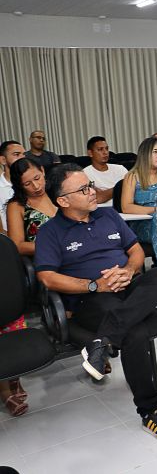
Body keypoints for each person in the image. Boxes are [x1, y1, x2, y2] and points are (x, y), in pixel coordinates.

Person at [34, 164, 157, 441]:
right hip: (91, 299)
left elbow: (136, 251)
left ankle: (102, 341)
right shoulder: (51, 232)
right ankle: (150, 411)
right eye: (83, 189)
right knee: (135, 330)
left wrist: (127, 271)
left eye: (90, 184)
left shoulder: (108, 215)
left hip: (127, 288)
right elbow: (46, 278)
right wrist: (95, 285)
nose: (93, 192)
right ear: (63, 201)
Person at [1, 158, 58, 416]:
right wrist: (54, 248)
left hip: (70, 256)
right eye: (27, 183)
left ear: (44, 171)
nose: (35, 186)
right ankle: (7, 383)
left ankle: (94, 341)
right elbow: (16, 245)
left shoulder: (59, 194)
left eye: (38, 178)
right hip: (42, 261)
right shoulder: (17, 206)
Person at [121, 138, 157, 276]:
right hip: (142, 225)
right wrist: (156, 211)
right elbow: (126, 207)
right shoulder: (132, 176)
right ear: (145, 154)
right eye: (155, 152)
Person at [83, 136, 128, 208]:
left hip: (123, 208)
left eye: (106, 149)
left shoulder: (120, 169)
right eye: (100, 149)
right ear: (90, 153)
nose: (105, 152)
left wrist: (104, 192)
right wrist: (121, 187)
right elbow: (99, 198)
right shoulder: (85, 173)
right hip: (100, 211)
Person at [0, 141, 26, 232]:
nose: (22, 158)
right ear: (3, 160)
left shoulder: (33, 184)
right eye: (16, 154)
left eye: (24, 154)